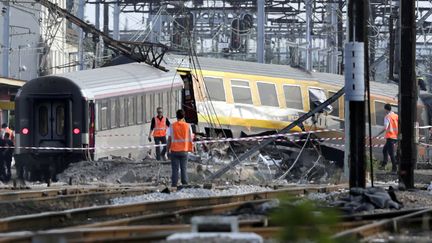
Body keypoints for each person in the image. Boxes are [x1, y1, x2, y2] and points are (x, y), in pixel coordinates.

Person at [166, 109, 193, 188]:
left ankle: (174, 185)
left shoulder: (172, 126)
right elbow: (191, 138)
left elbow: (169, 140)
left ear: (176, 116)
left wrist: (167, 151)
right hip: (184, 151)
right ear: (183, 116)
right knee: (183, 169)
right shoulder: (188, 126)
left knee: (175, 169)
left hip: (174, 151)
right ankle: (184, 184)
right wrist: (191, 149)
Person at [377, 104, 399, 172]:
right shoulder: (396, 116)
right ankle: (384, 165)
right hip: (396, 137)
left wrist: (378, 134)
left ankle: (394, 169)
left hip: (390, 137)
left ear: (386, 109)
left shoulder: (387, 117)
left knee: (391, 153)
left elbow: (385, 128)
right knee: (384, 150)